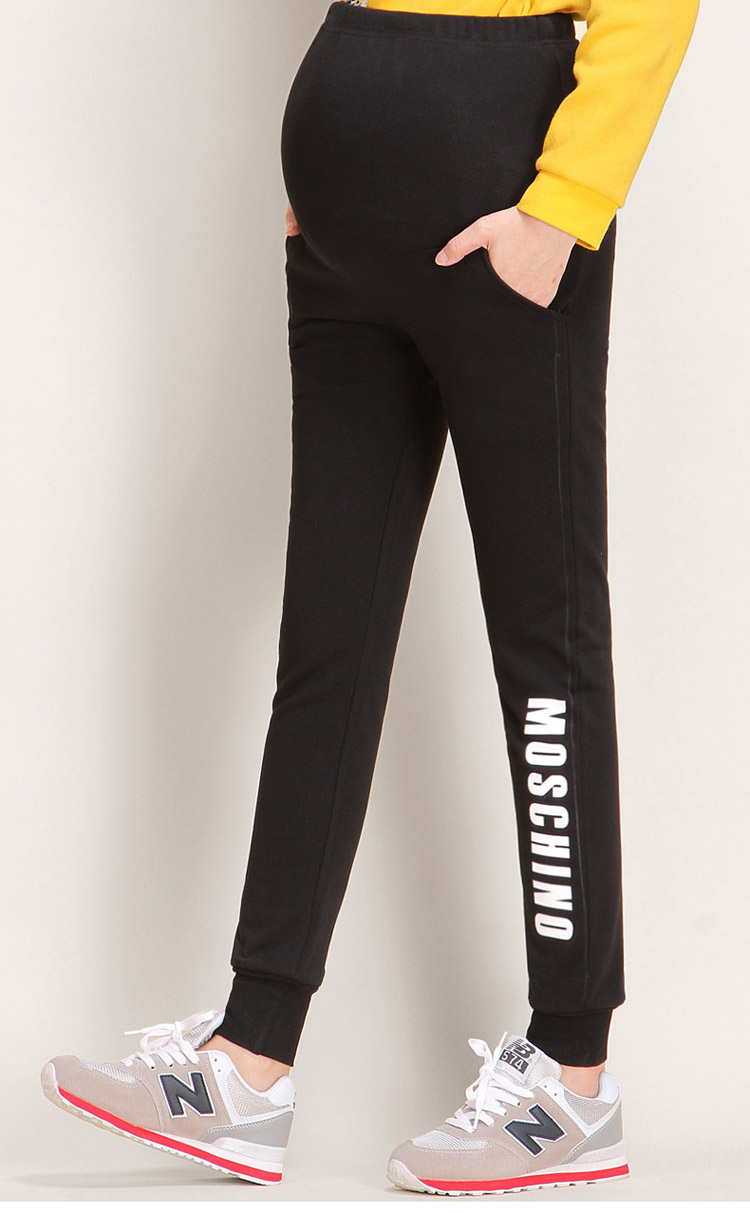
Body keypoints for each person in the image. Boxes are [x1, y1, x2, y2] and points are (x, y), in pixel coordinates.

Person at [40, 0, 700, 1195]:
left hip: (507, 211)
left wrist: (564, 206)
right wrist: (338, 179)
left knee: (545, 647)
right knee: (325, 641)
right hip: (343, 250)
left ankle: (573, 1074)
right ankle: (249, 1060)